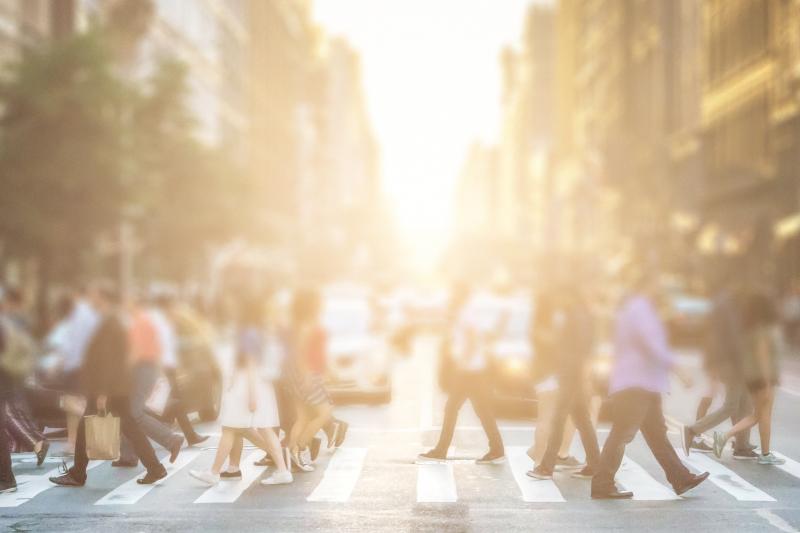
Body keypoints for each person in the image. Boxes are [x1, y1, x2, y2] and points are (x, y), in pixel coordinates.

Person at [591, 270, 709, 499]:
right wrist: (678, 370)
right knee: (622, 433)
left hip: (644, 382)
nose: (661, 289)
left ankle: (680, 477)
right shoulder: (640, 309)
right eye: (658, 284)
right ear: (648, 285)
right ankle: (602, 483)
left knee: (656, 433)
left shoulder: (637, 308)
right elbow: (652, 344)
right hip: (637, 382)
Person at [50, 282, 168, 487]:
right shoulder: (112, 320)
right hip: (115, 386)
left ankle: (78, 473)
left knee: (89, 425)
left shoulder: (111, 322)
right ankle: (155, 468)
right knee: (129, 426)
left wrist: (103, 392)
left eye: (94, 295)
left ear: (103, 298)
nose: (91, 299)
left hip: (109, 388)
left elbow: (110, 360)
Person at [189, 296, 292, 486]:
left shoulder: (248, 333)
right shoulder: (258, 331)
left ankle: (214, 472)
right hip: (256, 385)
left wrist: (251, 394)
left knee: (231, 427)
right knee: (261, 428)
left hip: (248, 386)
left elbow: (251, 363)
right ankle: (283, 470)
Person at [417, 282, 506, 465]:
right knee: (482, 410)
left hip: (469, 371)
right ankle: (497, 449)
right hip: (474, 369)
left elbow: (472, 337)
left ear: (460, 295)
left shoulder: (466, 312)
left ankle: (441, 450)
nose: (451, 296)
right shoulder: (465, 311)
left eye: (454, 292)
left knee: (452, 408)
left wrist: (464, 361)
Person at [528, 285, 601, 480]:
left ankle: (546, 467)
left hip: (571, 373)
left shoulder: (576, 314)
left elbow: (580, 346)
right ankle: (595, 464)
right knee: (582, 420)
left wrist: (581, 374)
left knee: (559, 419)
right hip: (572, 372)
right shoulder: (580, 313)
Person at [681, 280, 755, 458]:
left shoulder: (725, 302)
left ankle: (742, 445)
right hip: (733, 361)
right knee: (731, 405)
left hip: (730, 360)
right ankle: (693, 430)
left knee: (745, 404)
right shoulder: (728, 305)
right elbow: (732, 336)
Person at [713, 289, 785, 465]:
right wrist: (767, 381)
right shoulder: (763, 328)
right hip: (763, 377)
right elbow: (763, 356)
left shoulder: (751, 326)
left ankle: (728, 438)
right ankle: (764, 454)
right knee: (763, 415)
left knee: (758, 415)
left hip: (754, 376)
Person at [114, 294, 183, 467]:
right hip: (148, 368)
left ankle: (171, 439)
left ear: (133, 303)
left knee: (134, 412)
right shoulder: (145, 320)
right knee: (126, 410)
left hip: (142, 369)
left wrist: (124, 370)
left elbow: (136, 351)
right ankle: (128, 455)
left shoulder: (139, 322)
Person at [285, 288, 341, 472]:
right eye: (319, 300)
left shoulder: (303, 322)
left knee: (302, 417)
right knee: (324, 412)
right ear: (312, 304)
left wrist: (328, 370)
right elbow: (300, 352)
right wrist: (307, 375)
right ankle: (298, 449)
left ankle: (293, 454)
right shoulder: (306, 324)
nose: (322, 303)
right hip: (307, 374)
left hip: (303, 373)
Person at [527, 287, 582, 470]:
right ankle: (539, 459)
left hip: (543, 373)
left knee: (548, 417)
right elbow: (557, 346)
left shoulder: (538, 322)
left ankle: (540, 455)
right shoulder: (549, 325)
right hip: (550, 374)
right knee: (547, 418)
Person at [150, 294, 208, 446]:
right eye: (174, 306)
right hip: (162, 369)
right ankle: (178, 434)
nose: (176, 309)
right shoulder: (158, 323)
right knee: (154, 406)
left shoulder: (166, 322)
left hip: (168, 368)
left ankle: (188, 435)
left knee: (174, 402)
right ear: (167, 306)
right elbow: (157, 349)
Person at [58, 289, 99, 455]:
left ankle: (76, 442)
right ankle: (74, 442)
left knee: (72, 404)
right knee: (73, 404)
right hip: (80, 366)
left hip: (78, 367)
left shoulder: (81, 316)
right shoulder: (85, 314)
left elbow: (75, 345)